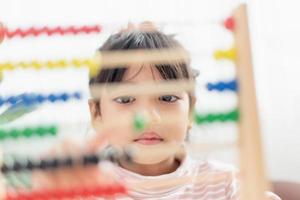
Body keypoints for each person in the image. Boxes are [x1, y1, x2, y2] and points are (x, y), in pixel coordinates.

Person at [4, 22, 281, 200]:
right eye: (126, 100)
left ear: (191, 112)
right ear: (96, 114)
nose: (148, 116)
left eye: (167, 97)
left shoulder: (226, 185)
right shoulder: (81, 187)